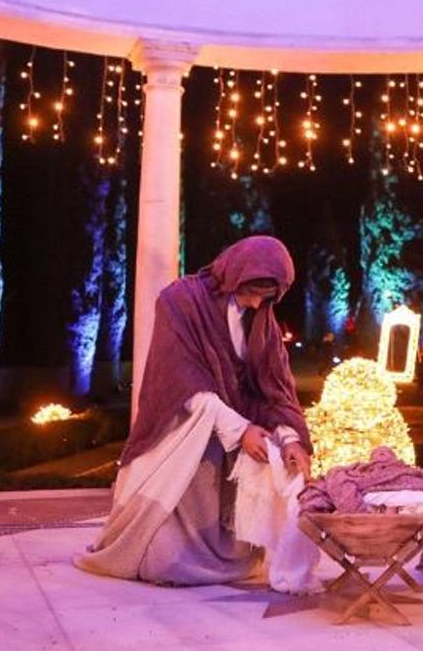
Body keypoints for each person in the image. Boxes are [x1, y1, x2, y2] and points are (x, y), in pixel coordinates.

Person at [76, 236, 313, 586]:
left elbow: (271, 387)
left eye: (266, 297)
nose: (255, 302)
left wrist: (289, 438)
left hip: (232, 430)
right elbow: (184, 382)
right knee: (163, 560)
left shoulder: (261, 320)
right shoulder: (180, 302)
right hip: (184, 431)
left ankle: (225, 554)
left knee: (244, 534)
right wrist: (241, 430)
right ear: (235, 275)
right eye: (252, 292)